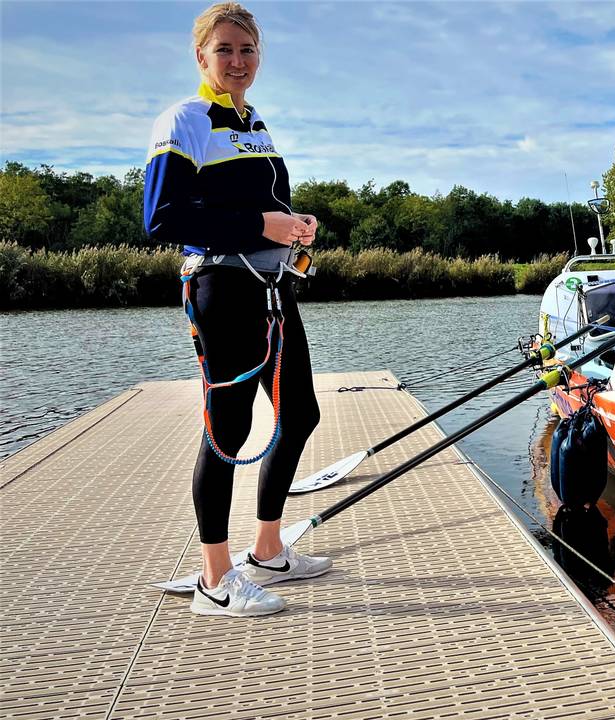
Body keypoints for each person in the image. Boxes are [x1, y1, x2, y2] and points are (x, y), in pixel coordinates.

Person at [143, 2, 330, 617]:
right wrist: (260, 223)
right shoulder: (186, 118)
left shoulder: (255, 122)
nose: (237, 60)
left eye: (247, 50)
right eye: (224, 50)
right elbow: (162, 218)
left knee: (298, 414)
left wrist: (294, 224)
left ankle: (269, 549)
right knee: (228, 432)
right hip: (221, 291)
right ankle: (213, 580)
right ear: (202, 56)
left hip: (272, 290)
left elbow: (264, 203)